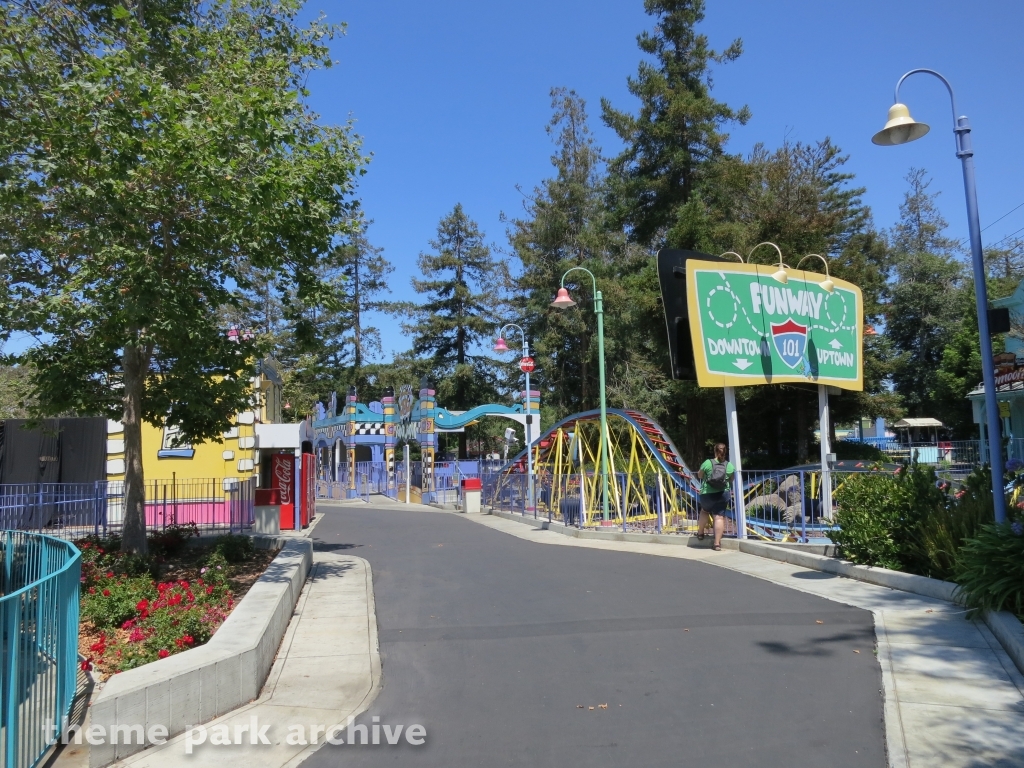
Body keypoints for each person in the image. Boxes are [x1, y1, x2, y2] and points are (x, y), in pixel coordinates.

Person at [696, 442, 735, 551]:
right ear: (725, 452)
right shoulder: (729, 465)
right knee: (719, 517)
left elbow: (699, 475)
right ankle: (717, 544)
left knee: (704, 511)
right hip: (723, 493)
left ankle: (700, 533)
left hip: (707, 493)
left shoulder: (708, 463)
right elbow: (731, 479)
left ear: (715, 451)